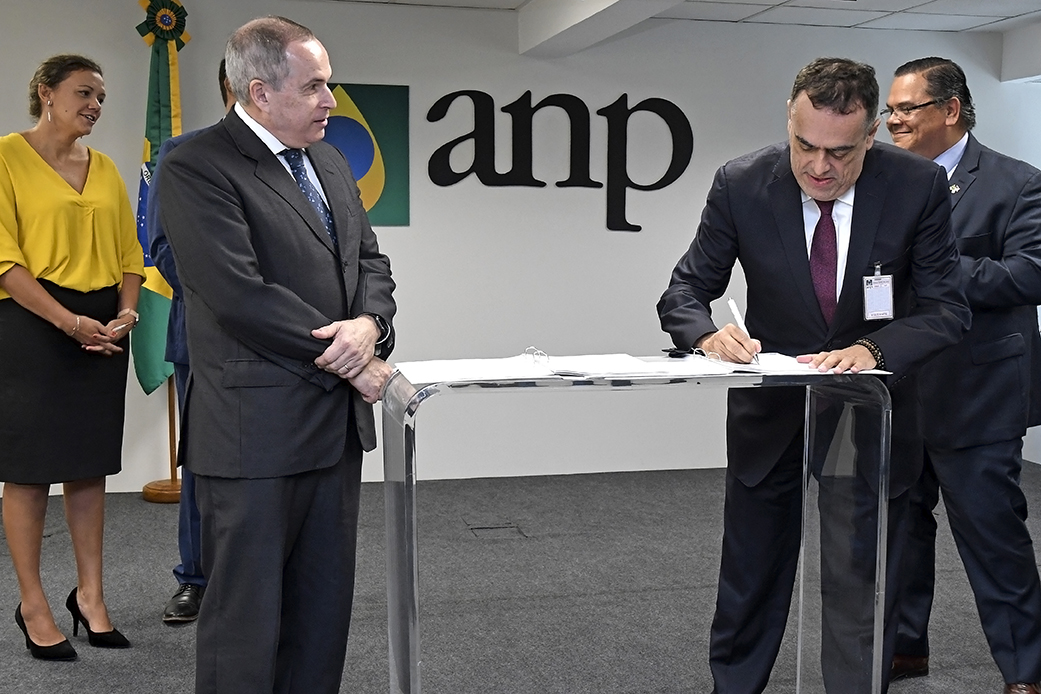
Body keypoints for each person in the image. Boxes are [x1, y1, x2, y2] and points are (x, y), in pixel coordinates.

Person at [657, 57, 971, 693]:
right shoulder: (742, 182)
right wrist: (707, 337)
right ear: (789, 123)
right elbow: (684, 292)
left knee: (861, 572)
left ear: (871, 135)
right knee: (751, 567)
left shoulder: (917, 186)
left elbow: (948, 309)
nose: (819, 166)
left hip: (868, 411)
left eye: (841, 152)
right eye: (805, 145)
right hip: (771, 409)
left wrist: (875, 350)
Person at [159, 16, 396, 694]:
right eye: (314, 86)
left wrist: (370, 325)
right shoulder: (195, 165)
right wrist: (354, 357)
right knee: (245, 622)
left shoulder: (329, 161)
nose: (330, 100)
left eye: (329, 84)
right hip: (253, 435)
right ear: (259, 93)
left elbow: (369, 261)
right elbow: (238, 295)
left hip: (333, 431)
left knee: (321, 614)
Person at [884, 57, 1041, 694]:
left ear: (950, 110)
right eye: (889, 110)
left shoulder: (1017, 182)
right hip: (897, 391)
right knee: (899, 532)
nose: (892, 121)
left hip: (979, 397)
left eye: (906, 109)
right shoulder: (881, 183)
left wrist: (938, 270)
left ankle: (1026, 671)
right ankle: (903, 650)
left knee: (992, 537)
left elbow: (1030, 274)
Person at [0, 54, 144, 660]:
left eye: (101, 97)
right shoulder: (6, 157)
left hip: (104, 326)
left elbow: (131, 255)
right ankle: (32, 604)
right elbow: (4, 261)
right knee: (29, 471)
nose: (95, 105)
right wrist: (68, 322)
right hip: (33, 325)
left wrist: (126, 315)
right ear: (46, 92)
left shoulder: (105, 167)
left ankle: (91, 598)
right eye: (84, 92)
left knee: (88, 467)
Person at [147, 59, 236, 625]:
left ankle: (256, 577)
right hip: (203, 338)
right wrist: (237, 306)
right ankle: (196, 579)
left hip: (284, 345)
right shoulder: (182, 153)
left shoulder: (302, 159)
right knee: (202, 462)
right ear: (236, 84)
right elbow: (163, 248)